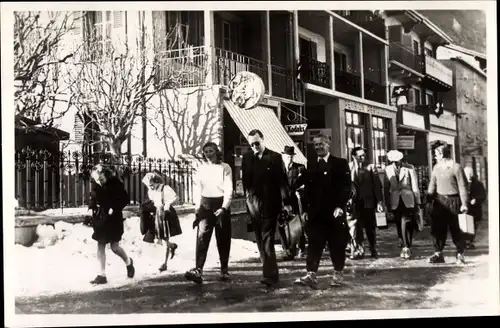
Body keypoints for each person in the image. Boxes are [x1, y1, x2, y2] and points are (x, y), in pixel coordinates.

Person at [293, 134, 351, 287]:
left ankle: (338, 274)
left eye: (321, 144)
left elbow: (346, 188)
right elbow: (304, 189)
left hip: (334, 213)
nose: (318, 147)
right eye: (316, 145)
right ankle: (311, 275)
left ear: (328, 144)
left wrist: (340, 206)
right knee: (314, 244)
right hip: (316, 214)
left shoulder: (340, 164)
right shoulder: (310, 165)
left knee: (336, 245)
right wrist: (305, 209)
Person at [242, 129, 291, 287]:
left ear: (263, 140)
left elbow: (282, 181)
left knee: (267, 238)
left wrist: (287, 202)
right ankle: (267, 270)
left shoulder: (275, 157)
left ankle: (270, 275)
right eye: (252, 144)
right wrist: (247, 199)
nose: (255, 146)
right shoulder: (247, 157)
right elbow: (245, 181)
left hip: (271, 203)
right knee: (259, 239)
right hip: (253, 204)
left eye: (257, 143)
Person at [185, 142, 234, 284]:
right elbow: (197, 188)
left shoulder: (225, 168)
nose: (208, 154)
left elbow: (228, 188)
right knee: (202, 237)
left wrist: (224, 207)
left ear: (216, 152)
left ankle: (224, 270)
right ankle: (198, 269)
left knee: (223, 237)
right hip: (205, 204)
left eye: (211, 151)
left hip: (220, 204)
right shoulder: (201, 169)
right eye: (205, 151)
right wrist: (197, 207)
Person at [88, 164, 134, 284]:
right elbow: (93, 198)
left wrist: (114, 208)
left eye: (101, 179)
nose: (99, 182)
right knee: (100, 244)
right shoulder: (96, 185)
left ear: (105, 175)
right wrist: (90, 208)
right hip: (101, 218)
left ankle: (128, 262)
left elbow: (125, 199)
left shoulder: (115, 183)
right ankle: (101, 275)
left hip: (114, 219)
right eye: (97, 180)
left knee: (114, 247)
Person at [427, 141, 469, 264]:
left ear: (442, 154)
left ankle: (460, 254)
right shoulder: (436, 167)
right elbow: (432, 184)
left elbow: (463, 187)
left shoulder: (456, 167)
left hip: (454, 201)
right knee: (437, 229)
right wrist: (428, 201)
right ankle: (438, 254)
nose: (435, 156)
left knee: (456, 229)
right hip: (440, 201)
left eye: (436, 154)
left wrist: (464, 204)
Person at [347, 147, 384, 259]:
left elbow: (377, 186)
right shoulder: (348, 167)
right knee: (356, 227)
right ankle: (359, 250)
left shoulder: (371, 167)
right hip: (354, 203)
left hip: (368, 202)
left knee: (370, 227)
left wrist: (379, 202)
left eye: (363, 155)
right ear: (354, 156)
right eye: (360, 155)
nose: (363, 157)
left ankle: (373, 248)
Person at [384, 150, 421, 259]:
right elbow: (386, 188)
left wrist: (417, 201)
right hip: (395, 200)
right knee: (398, 223)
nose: (396, 163)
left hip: (408, 199)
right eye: (393, 161)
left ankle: (406, 246)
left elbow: (414, 185)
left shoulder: (409, 167)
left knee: (406, 221)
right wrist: (387, 203)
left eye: (397, 161)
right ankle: (403, 241)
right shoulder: (388, 169)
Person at [141, 171, 180, 272]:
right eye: (148, 186)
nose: (150, 187)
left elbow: (175, 198)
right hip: (157, 215)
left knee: (164, 237)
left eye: (151, 185)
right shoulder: (151, 191)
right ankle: (172, 246)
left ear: (157, 181)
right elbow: (153, 202)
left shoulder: (165, 188)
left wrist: (167, 204)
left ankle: (164, 263)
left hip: (166, 214)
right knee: (159, 238)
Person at [279, 145, 307, 260]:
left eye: (291, 156)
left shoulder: (299, 168)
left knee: (297, 224)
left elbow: (306, 183)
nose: (289, 158)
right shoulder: (278, 169)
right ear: (283, 156)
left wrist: (300, 191)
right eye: (287, 156)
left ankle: (301, 247)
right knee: (281, 224)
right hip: (282, 201)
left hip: (295, 200)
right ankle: (287, 249)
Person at [463, 167, 487, 249]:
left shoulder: (478, 184)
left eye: (470, 173)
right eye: (467, 173)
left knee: (473, 225)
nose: (469, 175)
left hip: (475, 209)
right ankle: (465, 241)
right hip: (465, 207)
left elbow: (483, 195)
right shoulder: (461, 183)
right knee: (465, 224)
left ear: (472, 174)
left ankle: (469, 241)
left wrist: (476, 199)